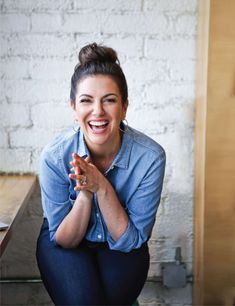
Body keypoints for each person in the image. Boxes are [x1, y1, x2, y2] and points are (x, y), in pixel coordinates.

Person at [36, 43, 166, 306]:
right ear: (74, 108)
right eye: (86, 100)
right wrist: (85, 194)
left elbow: (130, 240)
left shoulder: (150, 157)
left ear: (124, 107)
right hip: (67, 241)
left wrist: (102, 187)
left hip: (121, 243)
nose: (98, 111)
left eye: (109, 100)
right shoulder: (54, 156)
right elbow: (64, 239)